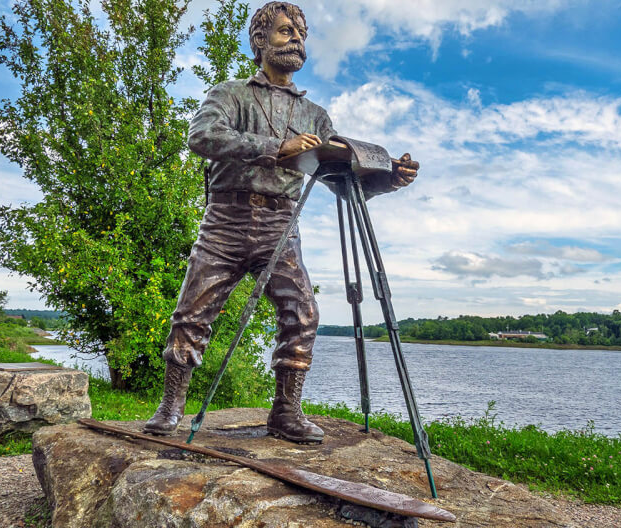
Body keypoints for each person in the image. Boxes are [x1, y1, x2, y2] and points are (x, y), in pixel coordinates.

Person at [144, 1, 418, 442]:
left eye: (301, 34)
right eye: (286, 30)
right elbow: (203, 136)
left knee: (303, 313)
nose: (296, 39)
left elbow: (340, 183)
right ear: (259, 40)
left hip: (280, 227)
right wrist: (278, 147)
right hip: (226, 221)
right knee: (192, 313)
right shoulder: (229, 94)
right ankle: (171, 406)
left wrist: (388, 181)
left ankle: (286, 412)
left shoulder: (316, 117)